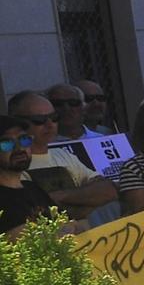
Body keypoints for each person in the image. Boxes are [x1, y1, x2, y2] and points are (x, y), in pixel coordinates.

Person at [11, 90, 119, 219]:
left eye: (54, 118)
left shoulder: (63, 154)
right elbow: (33, 212)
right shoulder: (11, 162)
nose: (50, 125)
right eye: (39, 120)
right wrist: (87, 201)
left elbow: (109, 190)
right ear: (16, 122)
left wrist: (59, 196)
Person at [0, 113, 81, 237]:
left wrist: (64, 230)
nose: (19, 147)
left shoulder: (31, 187)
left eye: (24, 139)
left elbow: (77, 226)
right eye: (6, 143)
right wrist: (65, 230)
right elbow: (24, 240)